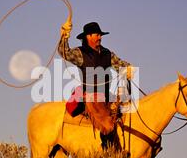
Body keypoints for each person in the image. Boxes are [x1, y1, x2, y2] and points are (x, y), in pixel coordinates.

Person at [58, 17, 136, 149]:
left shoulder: (107, 53)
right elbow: (65, 53)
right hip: (90, 96)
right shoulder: (81, 53)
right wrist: (64, 36)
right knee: (107, 123)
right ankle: (107, 151)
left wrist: (128, 68)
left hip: (105, 95)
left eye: (100, 35)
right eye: (97, 34)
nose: (100, 37)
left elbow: (119, 63)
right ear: (88, 36)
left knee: (124, 111)